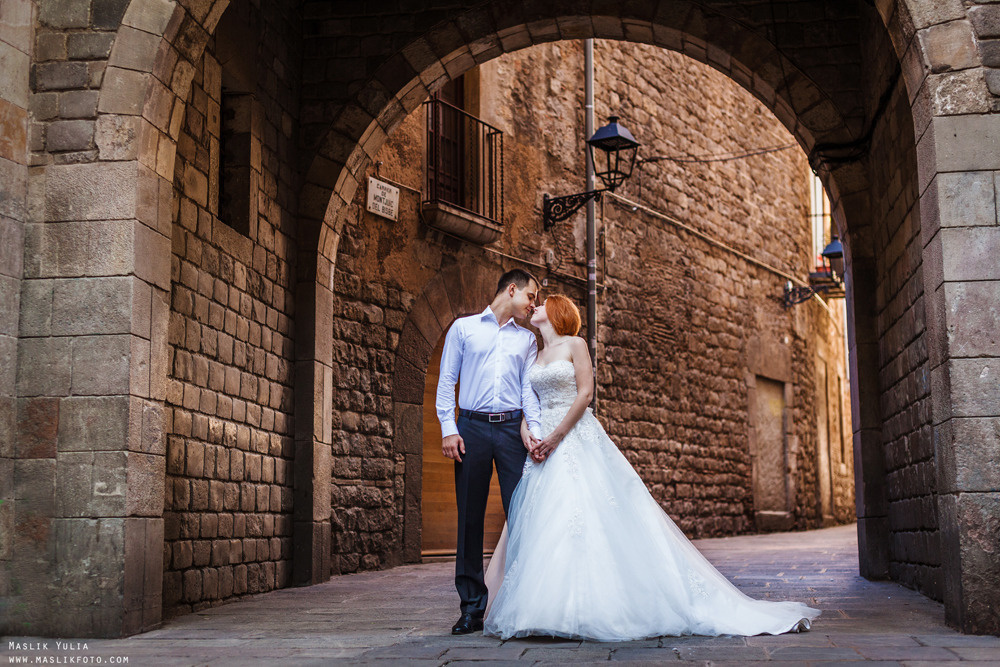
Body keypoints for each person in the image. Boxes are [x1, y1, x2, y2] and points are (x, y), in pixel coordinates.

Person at [483, 295, 820, 641]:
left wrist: (555, 437)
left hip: (573, 437)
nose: (534, 306)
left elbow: (585, 395)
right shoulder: (535, 356)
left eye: (542, 303)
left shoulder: (575, 344)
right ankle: (545, 609)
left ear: (556, 312)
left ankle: (585, 609)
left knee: (584, 515)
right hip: (541, 450)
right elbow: (530, 405)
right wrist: (529, 434)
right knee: (547, 523)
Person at [436, 268, 544, 635]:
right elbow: (447, 380)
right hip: (472, 429)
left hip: (513, 431)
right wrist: (449, 428)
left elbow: (529, 391)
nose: (534, 305)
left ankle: (524, 603)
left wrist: (535, 431)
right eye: (531, 296)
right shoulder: (463, 329)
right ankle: (471, 609)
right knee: (469, 518)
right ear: (511, 290)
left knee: (523, 515)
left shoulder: (527, 341)